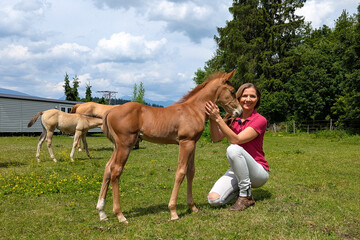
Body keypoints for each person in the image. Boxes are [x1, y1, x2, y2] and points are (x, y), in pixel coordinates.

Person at [205, 83, 269, 211]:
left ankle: (246, 197)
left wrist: (218, 118)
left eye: (252, 96)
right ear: (238, 98)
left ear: (257, 100)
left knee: (233, 148)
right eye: (244, 96)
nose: (248, 99)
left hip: (258, 172)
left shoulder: (260, 120)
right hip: (237, 170)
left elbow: (236, 139)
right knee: (214, 200)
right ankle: (239, 191)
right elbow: (216, 137)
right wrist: (212, 117)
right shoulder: (232, 118)